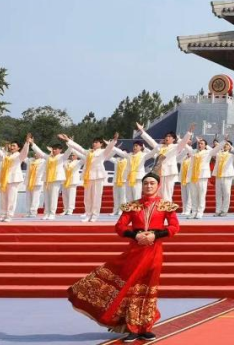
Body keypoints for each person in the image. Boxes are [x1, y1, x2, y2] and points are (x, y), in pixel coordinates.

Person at [67, 172, 179, 343]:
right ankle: (131, 327)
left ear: (158, 186)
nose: (149, 186)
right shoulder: (132, 206)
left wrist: (155, 235)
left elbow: (174, 227)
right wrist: (135, 235)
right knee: (131, 288)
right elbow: (120, 226)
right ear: (142, 186)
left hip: (154, 252)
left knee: (149, 289)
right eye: (146, 183)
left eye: (152, 183)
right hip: (135, 252)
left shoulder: (166, 206)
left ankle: (146, 328)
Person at [61, 133, 122, 222]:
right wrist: (68, 140)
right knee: (87, 197)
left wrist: (114, 140)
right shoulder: (88, 152)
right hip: (88, 177)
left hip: (98, 176)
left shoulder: (103, 152)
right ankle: (88, 214)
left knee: (96, 197)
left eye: (96, 142)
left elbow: (109, 148)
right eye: (94, 142)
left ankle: (95, 215)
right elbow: (79, 148)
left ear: (101, 144)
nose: (94, 144)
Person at [136, 124, 193, 202]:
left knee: (167, 193)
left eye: (169, 136)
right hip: (158, 172)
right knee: (159, 192)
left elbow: (183, 142)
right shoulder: (159, 146)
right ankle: (160, 208)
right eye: (166, 136)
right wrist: (142, 130)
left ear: (173, 139)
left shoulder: (175, 147)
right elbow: (150, 141)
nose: (167, 137)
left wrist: (189, 132)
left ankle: (167, 208)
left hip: (169, 172)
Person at [0, 133, 32, 222]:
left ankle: (9, 216)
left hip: (13, 180)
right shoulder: (6, 155)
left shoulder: (19, 156)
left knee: (11, 199)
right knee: (3, 198)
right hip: (4, 179)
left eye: (14, 146)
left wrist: (27, 143)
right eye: (11, 145)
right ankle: (3, 215)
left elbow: (25, 153)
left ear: (18, 148)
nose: (12, 147)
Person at [32, 142, 70, 220]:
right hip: (47, 179)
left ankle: (52, 214)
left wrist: (69, 142)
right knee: (46, 197)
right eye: (53, 149)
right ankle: (46, 213)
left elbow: (68, 152)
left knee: (53, 197)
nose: (54, 150)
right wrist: (33, 144)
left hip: (56, 179)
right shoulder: (48, 157)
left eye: (56, 149)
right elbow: (40, 153)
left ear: (60, 150)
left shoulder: (61, 157)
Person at [212, 140, 234, 217]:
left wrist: (231, 147)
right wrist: (220, 144)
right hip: (218, 175)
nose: (225, 145)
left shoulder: (231, 154)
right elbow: (212, 152)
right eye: (225, 144)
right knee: (218, 194)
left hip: (227, 175)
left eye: (227, 145)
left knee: (226, 193)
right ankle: (218, 210)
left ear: (230, 146)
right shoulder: (218, 153)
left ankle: (224, 210)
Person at [23, 137, 47, 218]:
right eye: (35, 153)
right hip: (29, 181)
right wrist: (27, 143)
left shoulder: (44, 161)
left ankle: (33, 212)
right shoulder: (30, 160)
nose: (36, 154)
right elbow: (23, 156)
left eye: (37, 153)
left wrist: (33, 144)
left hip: (37, 182)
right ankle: (28, 212)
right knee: (28, 198)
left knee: (35, 198)